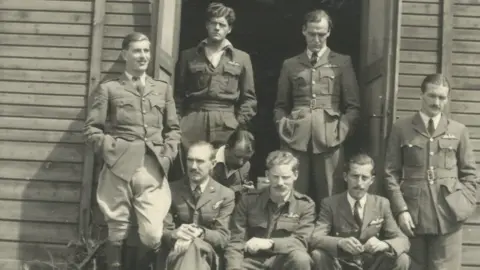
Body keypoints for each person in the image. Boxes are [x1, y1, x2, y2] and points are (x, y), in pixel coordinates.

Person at [83, 32, 181, 269]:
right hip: (118, 165)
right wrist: (111, 151)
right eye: (137, 51)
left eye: (146, 51)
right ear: (124, 54)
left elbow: (174, 129)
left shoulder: (162, 89)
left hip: (152, 167)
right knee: (117, 227)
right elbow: (92, 130)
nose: (143, 56)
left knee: (152, 233)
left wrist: (167, 156)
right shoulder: (110, 89)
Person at [384, 73, 478, 270]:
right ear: (422, 96)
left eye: (442, 98)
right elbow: (389, 173)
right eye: (432, 96)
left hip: (448, 215)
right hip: (413, 215)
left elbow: (470, 174)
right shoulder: (402, 128)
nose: (437, 102)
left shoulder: (459, 130)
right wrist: (401, 210)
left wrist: (463, 207)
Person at [274, 9, 360, 207]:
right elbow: (280, 105)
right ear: (303, 31)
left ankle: (328, 236)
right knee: (292, 191)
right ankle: (293, 235)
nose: (316, 39)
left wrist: (341, 132)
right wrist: (283, 127)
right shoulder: (290, 65)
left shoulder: (342, 62)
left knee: (331, 193)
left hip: (330, 137)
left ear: (329, 32)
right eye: (312, 33)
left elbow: (353, 106)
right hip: (295, 137)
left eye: (321, 34)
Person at [175, 2, 257, 149]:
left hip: (226, 123)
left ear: (229, 29)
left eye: (222, 24)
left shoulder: (241, 58)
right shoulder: (189, 55)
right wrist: (180, 122)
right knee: (191, 165)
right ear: (207, 25)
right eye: (213, 23)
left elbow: (249, 99)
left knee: (221, 166)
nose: (217, 28)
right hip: (193, 120)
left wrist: (238, 124)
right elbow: (178, 95)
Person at [310, 153, 411, 270]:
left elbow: (403, 240)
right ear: (345, 176)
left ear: (372, 180)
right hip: (342, 264)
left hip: (372, 265)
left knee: (402, 258)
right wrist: (340, 242)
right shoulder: (330, 203)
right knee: (318, 255)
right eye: (354, 176)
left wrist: (384, 245)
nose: (359, 183)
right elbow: (315, 238)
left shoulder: (381, 203)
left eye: (364, 178)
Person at [224, 150, 315, 270]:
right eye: (275, 177)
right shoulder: (248, 201)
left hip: (283, 261)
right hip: (252, 262)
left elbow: (301, 241)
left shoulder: (305, 205)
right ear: (267, 175)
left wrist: (270, 243)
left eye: (285, 177)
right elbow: (236, 241)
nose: (280, 182)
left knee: (301, 259)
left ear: (295, 175)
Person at [161, 141, 235, 270]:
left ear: (213, 164)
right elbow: (163, 230)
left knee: (193, 246)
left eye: (200, 161)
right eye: (190, 160)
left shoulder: (225, 194)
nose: (194, 166)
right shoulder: (171, 190)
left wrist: (200, 233)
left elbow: (223, 238)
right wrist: (176, 234)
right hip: (176, 252)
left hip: (207, 256)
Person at [212, 128, 255, 202]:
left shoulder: (246, 166)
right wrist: (236, 189)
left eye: (246, 158)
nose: (241, 163)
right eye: (237, 156)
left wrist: (247, 191)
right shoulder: (206, 159)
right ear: (227, 147)